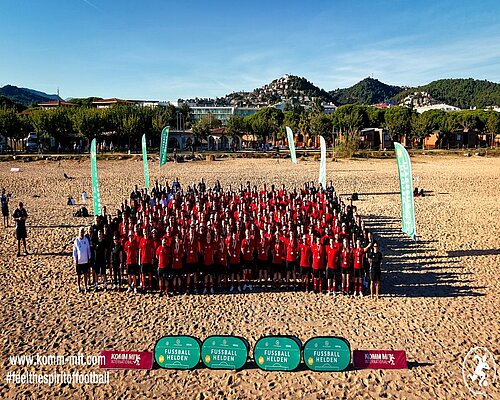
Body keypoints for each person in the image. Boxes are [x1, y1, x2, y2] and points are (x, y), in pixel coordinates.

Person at [73, 227, 92, 293]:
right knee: (78, 275)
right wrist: (75, 260)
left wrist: (89, 257)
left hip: (85, 260)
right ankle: (79, 287)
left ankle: (86, 286)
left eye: (82, 232)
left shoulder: (86, 240)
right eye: (80, 231)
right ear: (79, 232)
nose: (81, 233)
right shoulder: (76, 240)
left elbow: (88, 249)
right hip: (79, 261)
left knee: (85, 274)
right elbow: (74, 251)